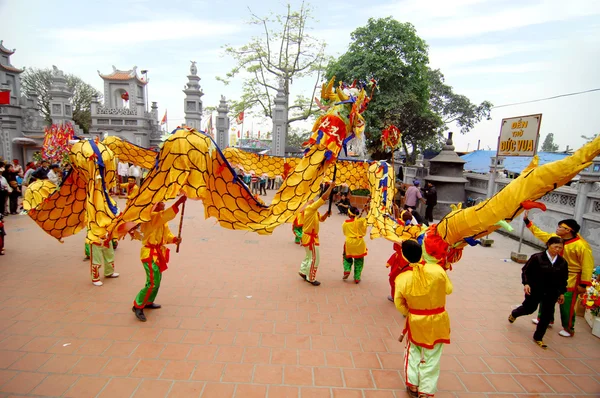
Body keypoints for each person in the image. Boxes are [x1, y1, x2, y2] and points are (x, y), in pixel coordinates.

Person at [394, 239, 452, 398]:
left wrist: (410, 312)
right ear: (421, 252)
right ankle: (426, 390)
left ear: (404, 257)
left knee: (413, 351)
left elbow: (399, 304)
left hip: (417, 321)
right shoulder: (438, 270)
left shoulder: (402, 279)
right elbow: (449, 289)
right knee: (433, 357)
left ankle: (412, 384)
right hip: (439, 320)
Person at [523, 211, 594, 337]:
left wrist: (583, 284)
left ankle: (568, 328)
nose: (558, 228)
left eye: (561, 227)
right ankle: (545, 319)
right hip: (551, 275)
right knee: (546, 298)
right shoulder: (555, 239)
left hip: (571, 277)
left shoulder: (581, 246)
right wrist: (528, 222)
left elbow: (587, 265)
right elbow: (540, 234)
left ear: (568, 230)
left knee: (566, 304)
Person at [132, 195, 186, 322]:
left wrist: (174, 239)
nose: (164, 204)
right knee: (153, 282)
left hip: (157, 253)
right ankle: (137, 305)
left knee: (157, 280)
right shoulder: (151, 218)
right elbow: (165, 215)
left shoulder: (161, 220)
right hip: (149, 254)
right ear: (155, 205)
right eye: (161, 202)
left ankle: (149, 301)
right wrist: (178, 203)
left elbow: (166, 235)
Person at [508, 237, 568, 349]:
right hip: (535, 289)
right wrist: (526, 283)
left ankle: (538, 337)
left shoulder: (562, 262)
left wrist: (561, 293)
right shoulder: (537, 258)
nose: (557, 249)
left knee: (547, 315)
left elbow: (563, 279)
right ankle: (515, 313)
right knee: (529, 308)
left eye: (560, 247)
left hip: (552, 292)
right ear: (548, 245)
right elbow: (526, 271)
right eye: (555, 247)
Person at [298, 183, 334, 286]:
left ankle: (303, 270)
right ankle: (311, 278)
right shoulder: (310, 209)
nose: (313, 200)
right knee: (315, 258)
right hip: (310, 237)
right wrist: (330, 187)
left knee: (309, 256)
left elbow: (321, 219)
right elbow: (323, 198)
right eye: (311, 199)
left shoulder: (313, 211)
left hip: (309, 236)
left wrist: (326, 214)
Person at [386, 210, 418, 302]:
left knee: (394, 278)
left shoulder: (399, 230)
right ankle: (407, 298)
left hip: (400, 259)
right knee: (408, 280)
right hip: (412, 259)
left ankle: (396, 296)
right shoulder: (415, 229)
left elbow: (390, 229)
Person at [342, 206, 368, 283]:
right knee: (359, 260)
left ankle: (347, 269)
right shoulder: (361, 220)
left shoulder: (345, 223)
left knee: (346, 257)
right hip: (359, 242)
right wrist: (366, 211)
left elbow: (344, 232)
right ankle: (357, 277)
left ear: (349, 214)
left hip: (349, 242)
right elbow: (368, 220)